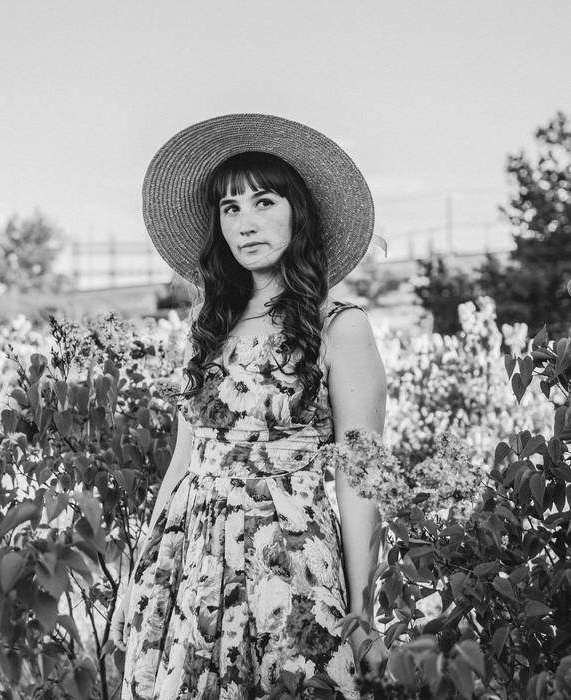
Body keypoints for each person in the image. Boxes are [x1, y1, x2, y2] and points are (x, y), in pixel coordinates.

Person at [112, 113, 388, 699]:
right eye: (230, 208)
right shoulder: (209, 327)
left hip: (287, 556)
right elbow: (184, 459)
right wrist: (142, 572)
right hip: (188, 558)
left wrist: (363, 616)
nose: (246, 223)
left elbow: (361, 475)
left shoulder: (340, 327)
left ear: (298, 214)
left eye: (264, 202)